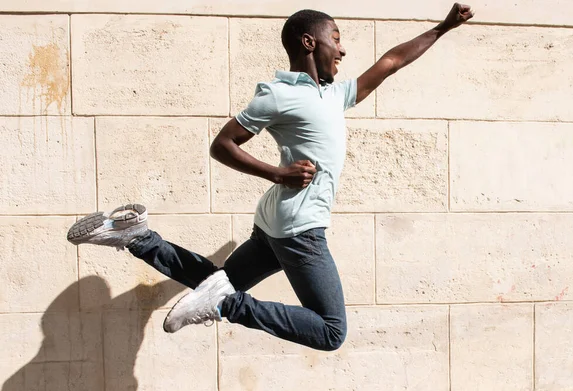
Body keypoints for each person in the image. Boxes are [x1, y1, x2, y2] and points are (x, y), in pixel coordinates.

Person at [67, 3, 474, 351]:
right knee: (331, 332)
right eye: (336, 37)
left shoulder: (332, 94)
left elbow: (392, 61)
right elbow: (223, 145)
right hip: (300, 228)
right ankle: (228, 307)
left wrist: (442, 28)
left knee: (216, 282)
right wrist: (278, 173)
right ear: (309, 42)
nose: (343, 48)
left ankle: (137, 237)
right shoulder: (278, 94)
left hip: (274, 226)